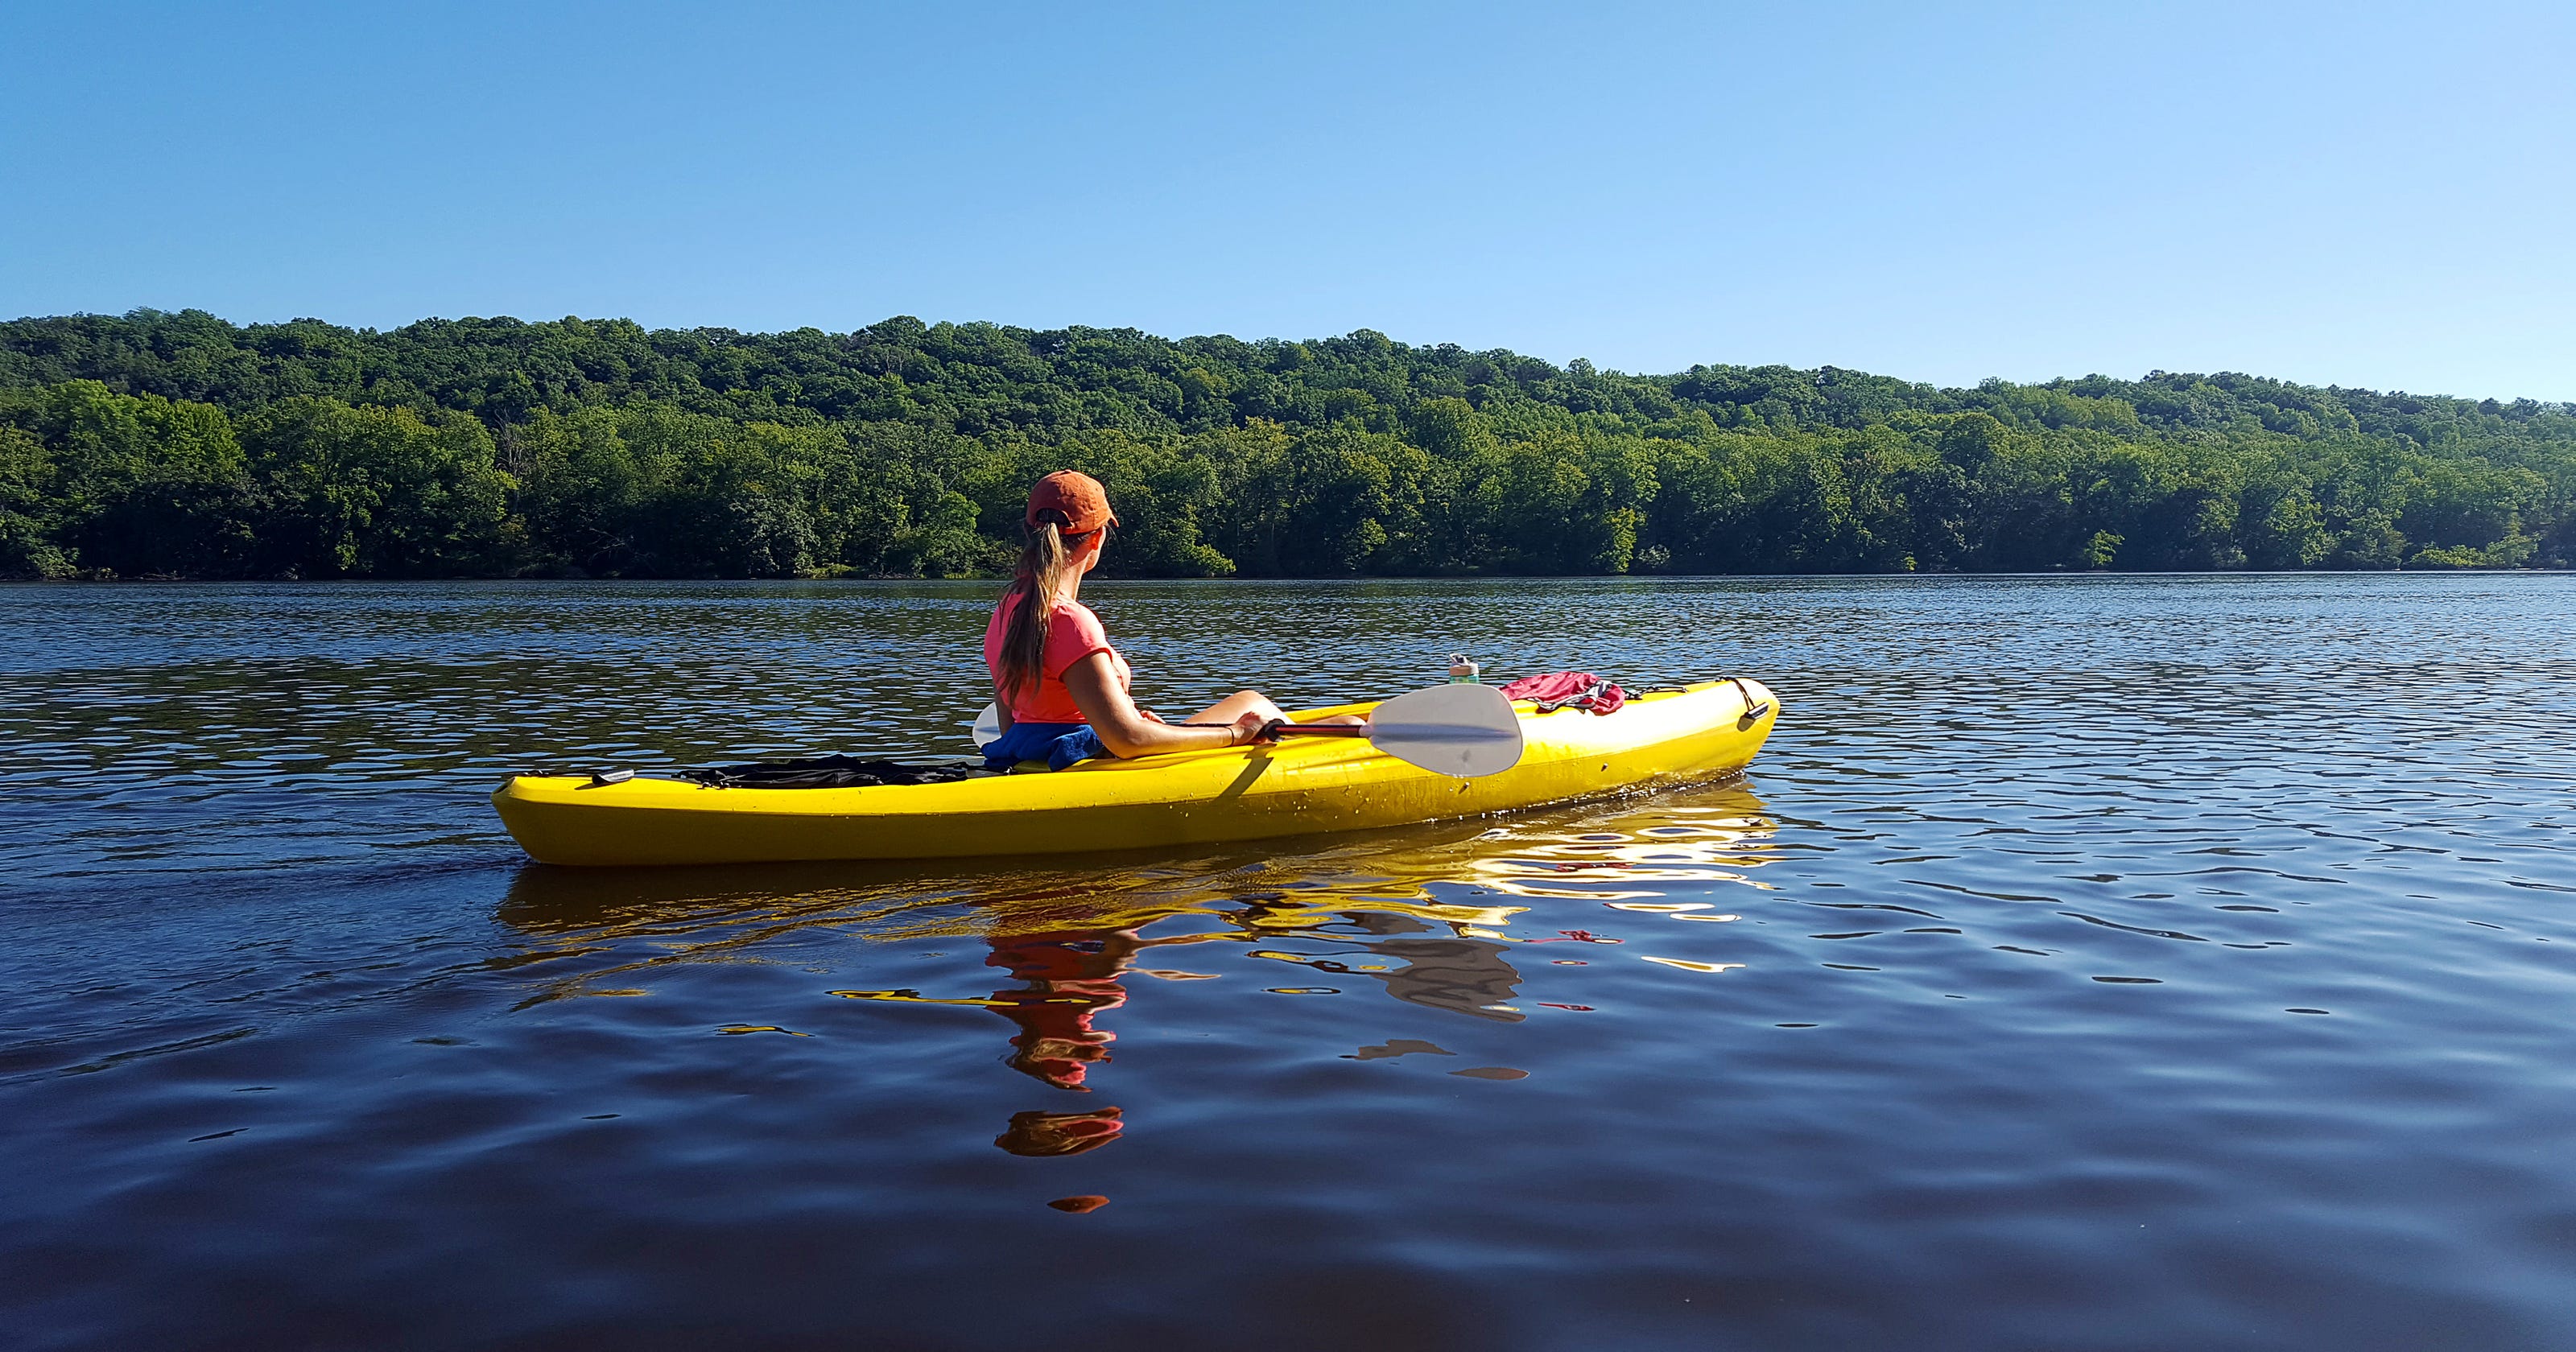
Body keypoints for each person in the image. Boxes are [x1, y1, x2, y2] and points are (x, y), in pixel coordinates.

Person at [980, 470, 1360, 771]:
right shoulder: (1070, 621)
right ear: (1097, 540)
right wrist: (1235, 734)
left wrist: (1143, 725)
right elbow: (1126, 740)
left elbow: (1012, 725)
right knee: (1274, 713)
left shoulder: (1005, 612)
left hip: (1042, 753)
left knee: (1253, 702)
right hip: (1095, 760)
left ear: (1029, 532)